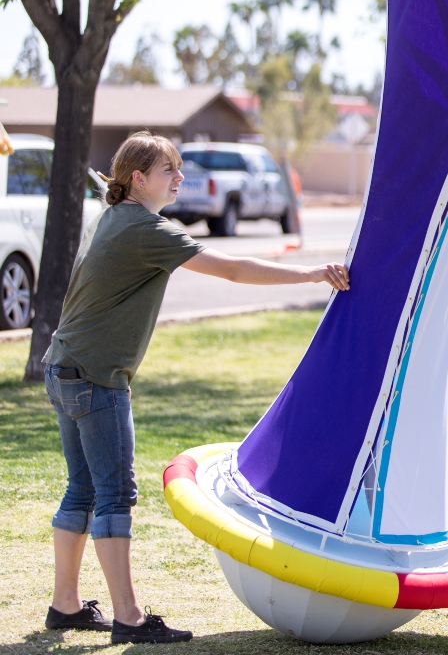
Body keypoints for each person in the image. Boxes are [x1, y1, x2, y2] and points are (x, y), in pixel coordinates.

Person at [43, 133, 349, 645]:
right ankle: (129, 618)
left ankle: (66, 605)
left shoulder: (113, 217)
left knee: (83, 490)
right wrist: (313, 273)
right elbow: (231, 269)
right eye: (169, 171)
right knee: (114, 494)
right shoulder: (144, 227)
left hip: (65, 368)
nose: (180, 178)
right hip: (94, 378)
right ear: (137, 178)